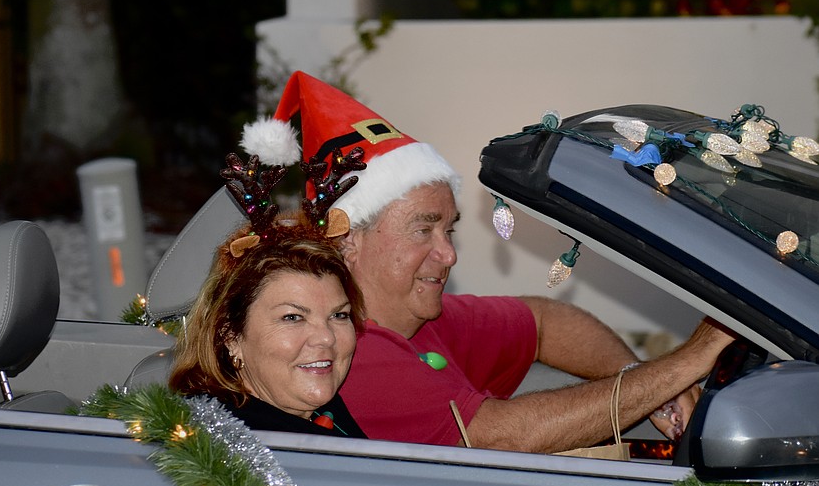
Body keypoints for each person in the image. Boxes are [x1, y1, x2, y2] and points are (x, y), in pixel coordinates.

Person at [238, 71, 735, 454]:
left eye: (448, 230)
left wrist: (640, 379)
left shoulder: (416, 320)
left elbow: (543, 321)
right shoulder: (350, 353)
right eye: (423, 229)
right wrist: (687, 361)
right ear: (349, 241)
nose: (449, 254)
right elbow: (501, 437)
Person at [169, 152, 367, 438]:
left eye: (339, 315)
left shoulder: (321, 412)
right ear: (230, 336)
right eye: (293, 317)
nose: (326, 337)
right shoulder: (222, 444)